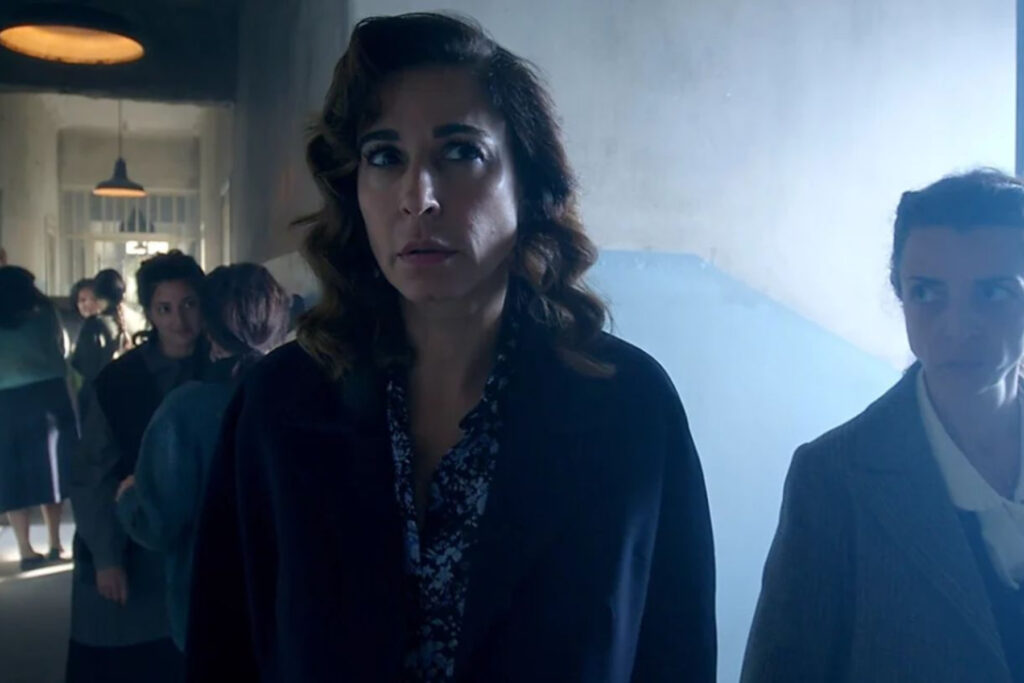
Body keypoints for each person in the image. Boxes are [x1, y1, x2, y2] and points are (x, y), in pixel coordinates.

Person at [186, 13, 716, 683]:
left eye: (460, 152)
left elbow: (675, 653)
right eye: (385, 157)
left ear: (527, 181)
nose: (420, 198)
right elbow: (223, 651)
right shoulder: (279, 407)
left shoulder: (628, 407)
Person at [742, 169, 1024, 683]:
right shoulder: (834, 477)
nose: (958, 326)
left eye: (994, 292)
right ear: (900, 294)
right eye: (927, 293)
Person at [115, 263, 290, 652]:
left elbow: (157, 523)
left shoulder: (185, 410)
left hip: (212, 606)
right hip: (295, 605)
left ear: (208, 328)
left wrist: (129, 498)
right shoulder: (306, 396)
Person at [66, 250, 206, 683]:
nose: (179, 321)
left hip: (195, 544)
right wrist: (107, 558)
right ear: (149, 312)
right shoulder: (118, 381)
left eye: (189, 304)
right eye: (165, 308)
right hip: (127, 538)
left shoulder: (222, 370)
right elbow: (91, 473)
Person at [0, 266, 76, 570]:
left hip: (5, 402)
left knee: (12, 476)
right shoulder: (46, 315)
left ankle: (25, 549)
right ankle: (56, 543)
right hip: (49, 397)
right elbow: (64, 349)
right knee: (51, 471)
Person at [71, 269, 132, 386]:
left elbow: (82, 365)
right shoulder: (130, 320)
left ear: (97, 294)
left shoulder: (94, 324)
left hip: (97, 389)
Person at [64, 278, 100, 350]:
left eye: (94, 299)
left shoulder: (105, 326)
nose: (88, 304)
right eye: (82, 300)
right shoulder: (68, 326)